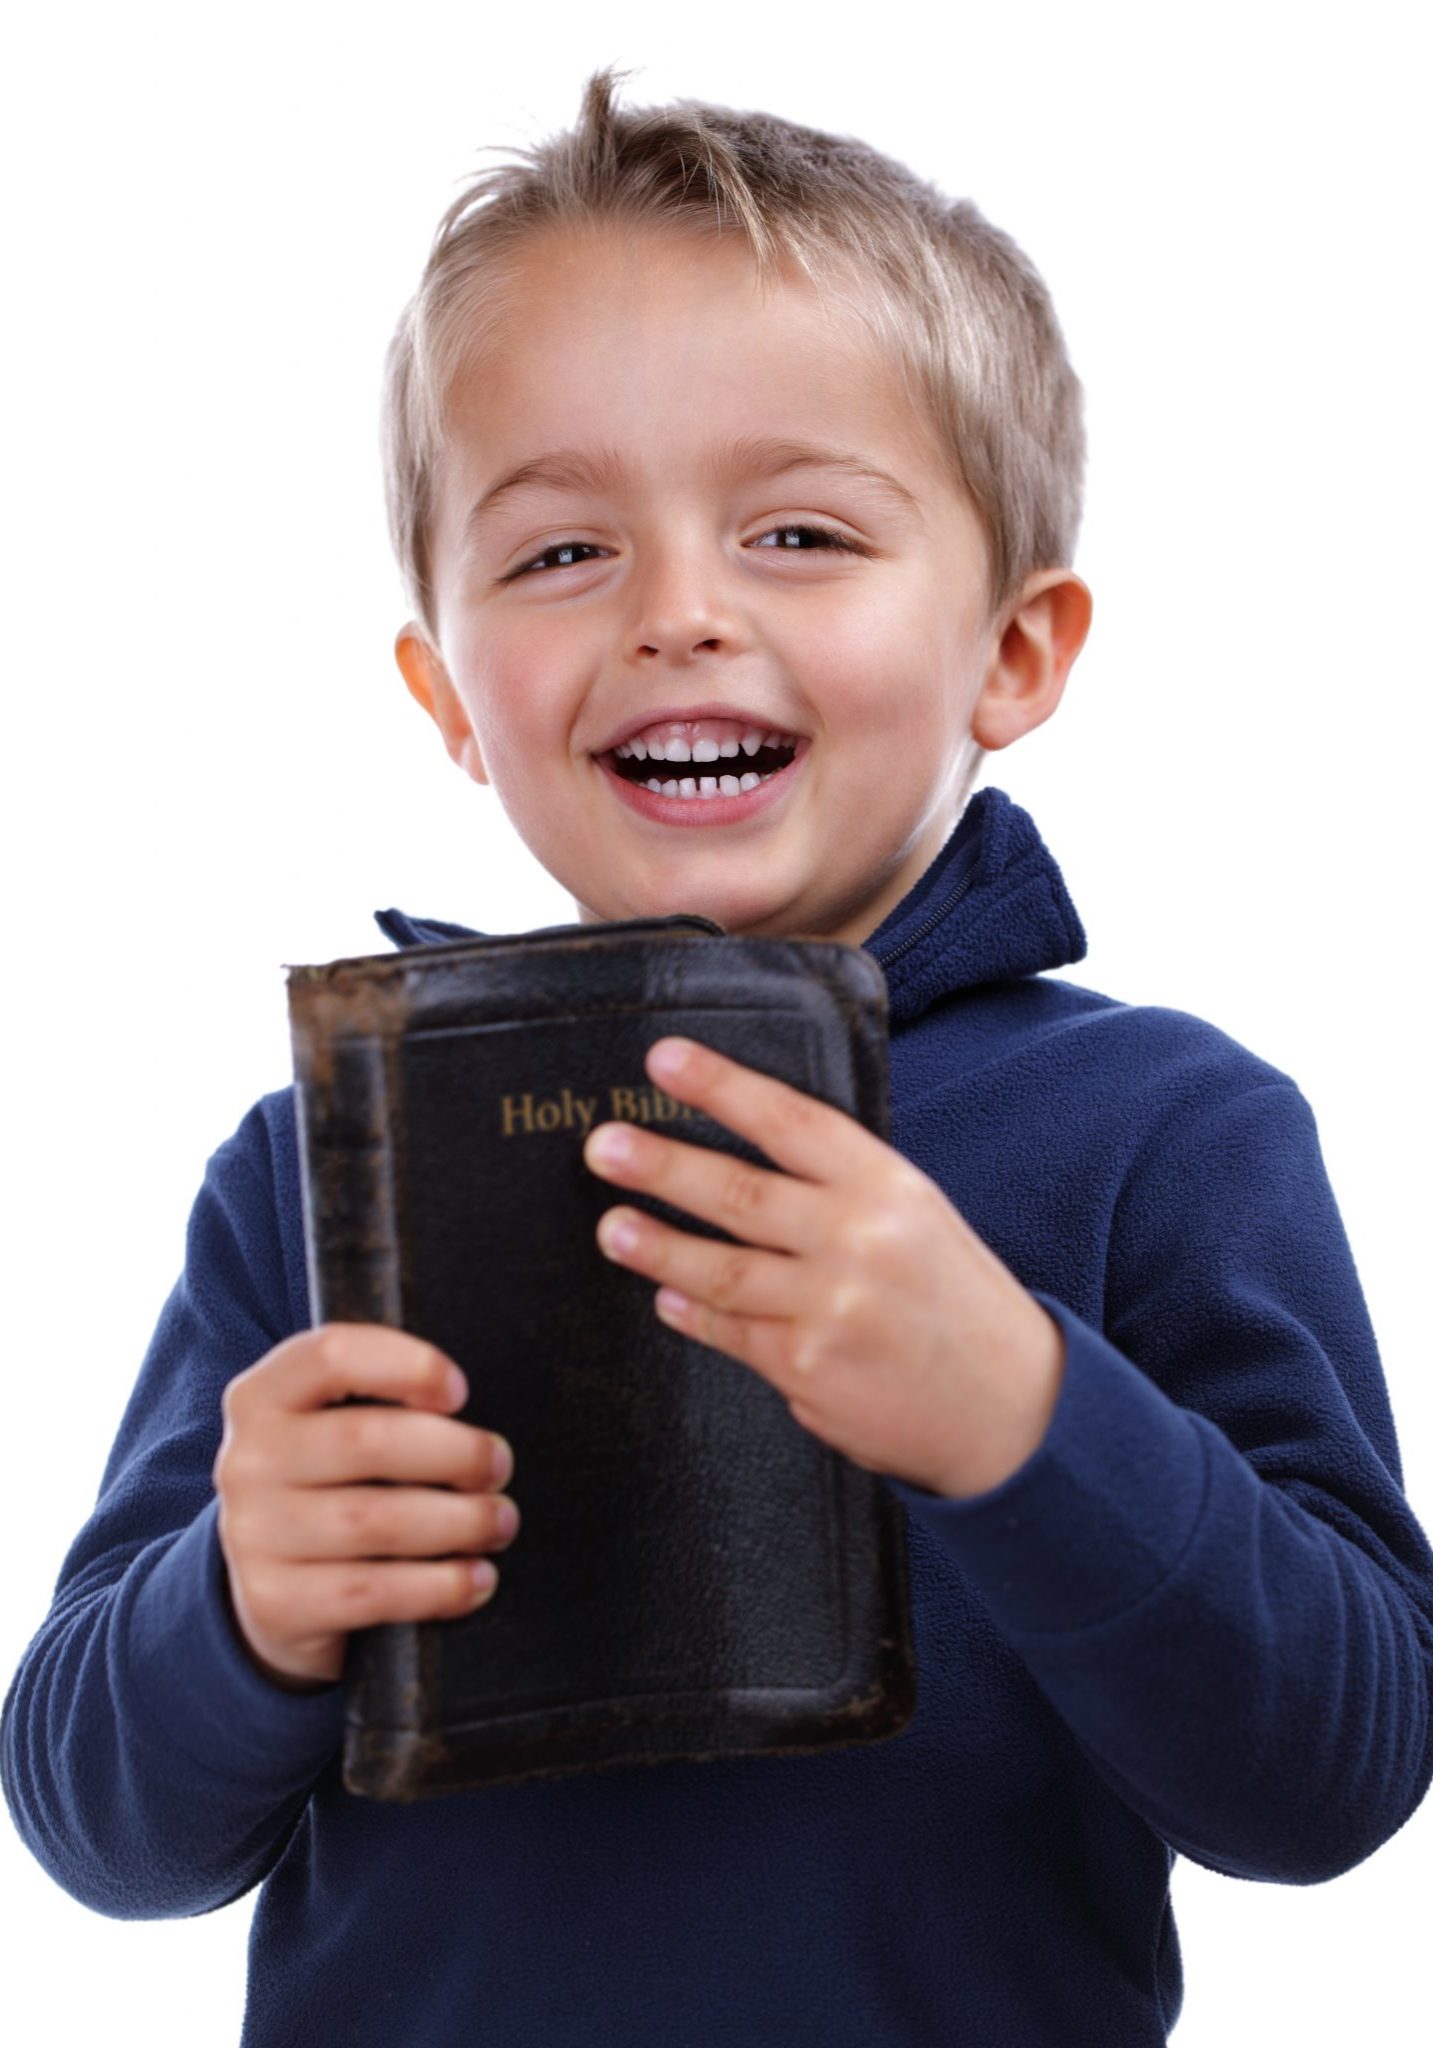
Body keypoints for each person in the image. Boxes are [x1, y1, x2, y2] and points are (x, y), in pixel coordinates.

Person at [4, 62, 1432, 2048]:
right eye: (561, 553)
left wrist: (1025, 1413)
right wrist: (235, 1602)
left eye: (797, 532)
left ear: (1013, 653)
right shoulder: (322, 1170)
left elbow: (1339, 1773)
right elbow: (93, 1827)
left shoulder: (1170, 1133)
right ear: (445, 687)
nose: (678, 614)